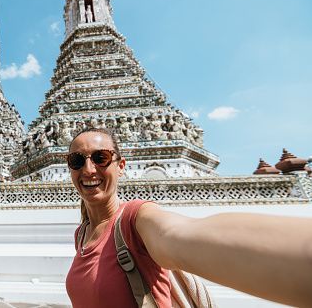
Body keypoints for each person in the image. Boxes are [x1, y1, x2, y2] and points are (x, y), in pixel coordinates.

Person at [65, 127, 312, 308]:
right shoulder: (82, 234)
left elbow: (180, 235)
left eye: (101, 158)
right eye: (77, 160)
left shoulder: (135, 220)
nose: (88, 169)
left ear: (121, 165)